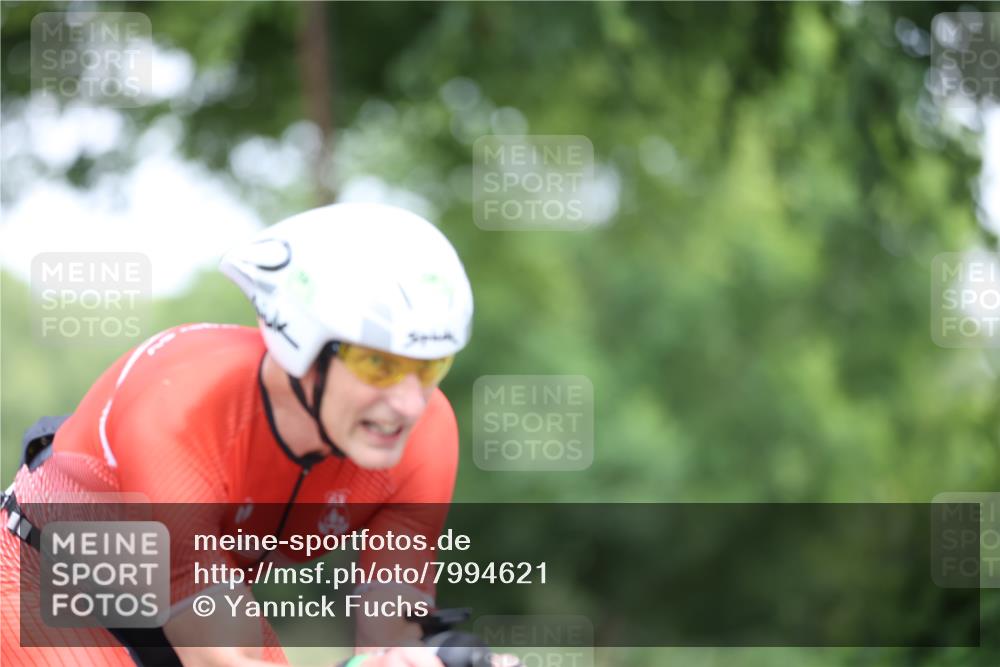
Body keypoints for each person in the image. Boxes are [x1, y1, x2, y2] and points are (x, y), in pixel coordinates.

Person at [1, 203, 476, 667]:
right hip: (50, 575)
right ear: (301, 341)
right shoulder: (181, 405)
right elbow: (218, 657)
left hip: (200, 595)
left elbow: (392, 636)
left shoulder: (427, 434)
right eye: (379, 364)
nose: (411, 404)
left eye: (429, 366)